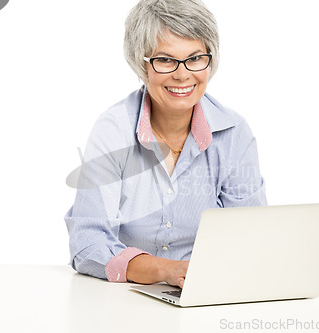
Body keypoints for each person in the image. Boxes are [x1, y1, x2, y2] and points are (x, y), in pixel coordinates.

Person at [64, 0, 267, 288]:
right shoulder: (114, 129)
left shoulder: (234, 133)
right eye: (165, 60)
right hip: (122, 297)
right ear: (141, 63)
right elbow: (87, 242)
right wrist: (164, 270)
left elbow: (252, 235)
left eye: (195, 58)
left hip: (207, 294)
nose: (182, 74)